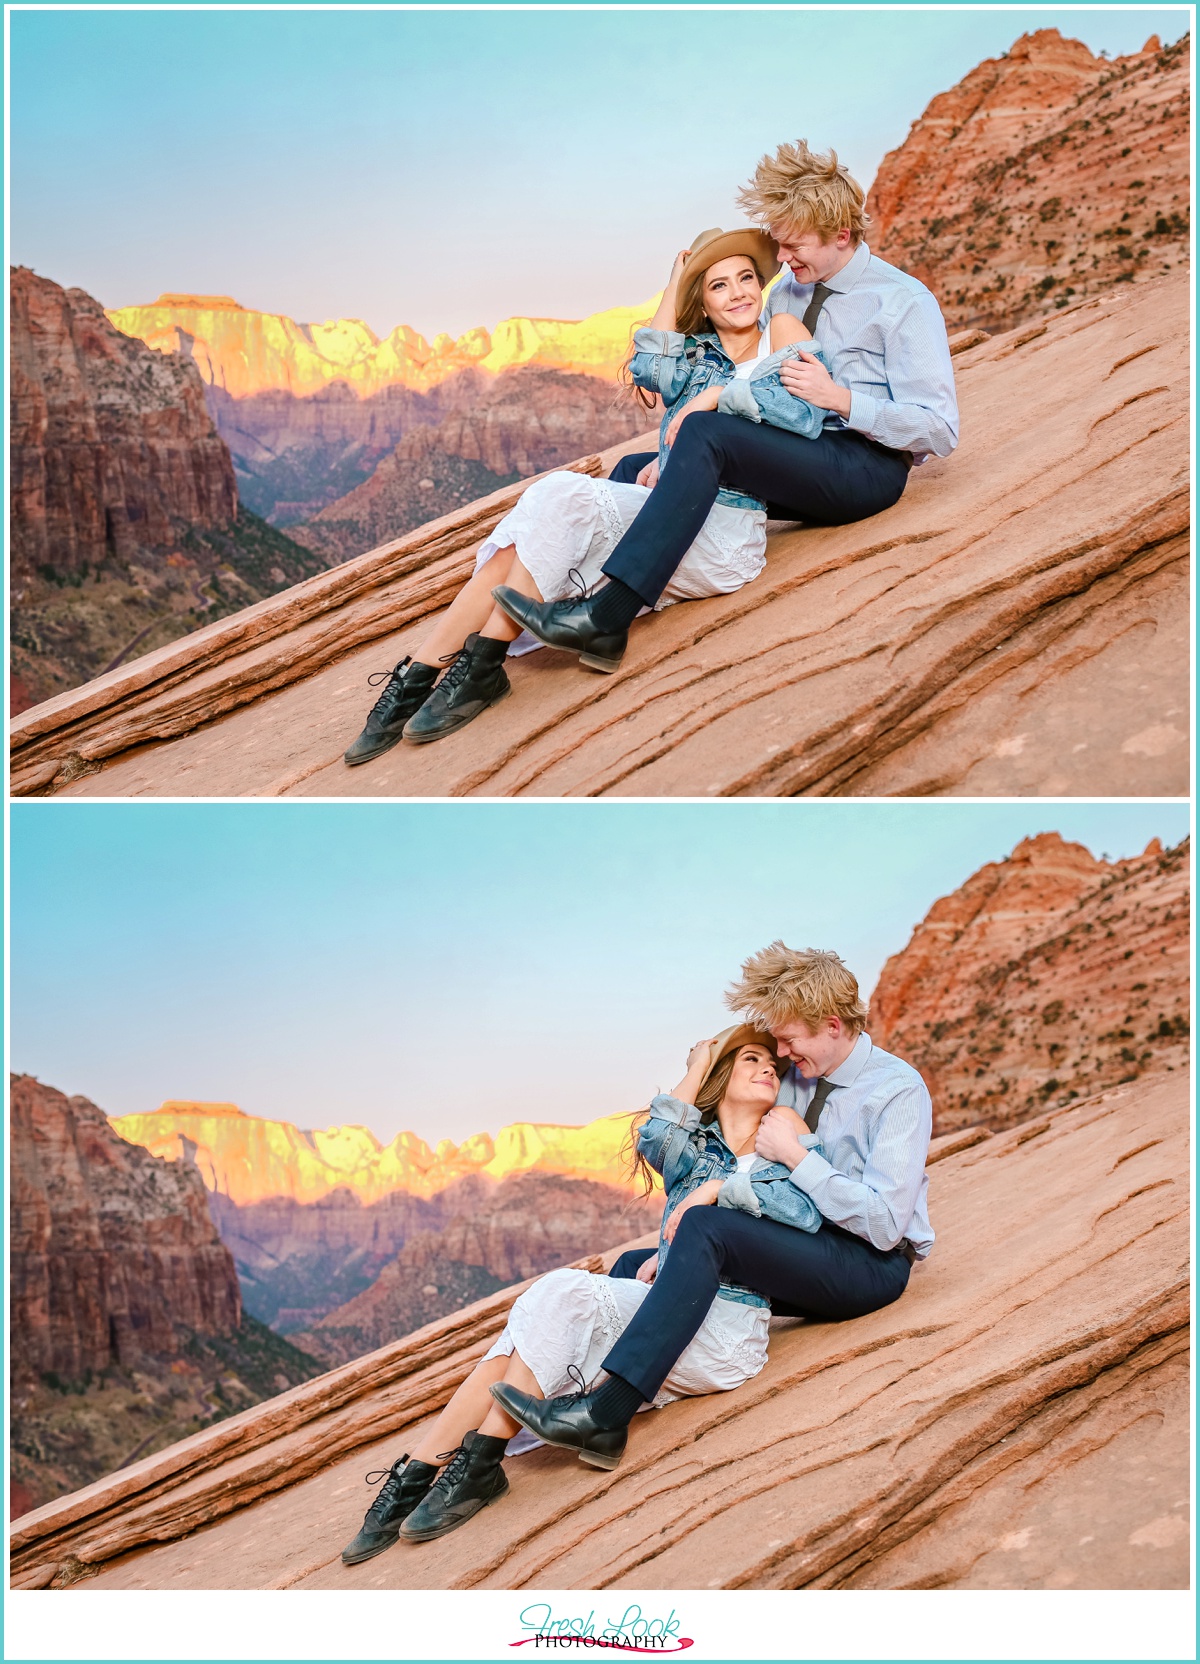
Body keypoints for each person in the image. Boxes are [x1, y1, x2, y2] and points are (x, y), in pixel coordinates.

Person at [342, 227, 829, 764]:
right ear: (703, 303)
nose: (738, 293)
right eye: (717, 285)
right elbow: (647, 366)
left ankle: (471, 668)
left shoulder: (778, 329)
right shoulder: (696, 356)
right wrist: (675, 281)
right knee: (547, 503)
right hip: (669, 519)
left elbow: (801, 414)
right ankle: (429, 670)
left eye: (745, 279)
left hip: (726, 536)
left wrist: (716, 397)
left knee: (563, 501)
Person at [340, 1027, 824, 1560]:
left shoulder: (780, 1131)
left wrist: (718, 1191)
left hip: (727, 1331)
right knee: (530, 1324)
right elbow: (656, 1137)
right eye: (750, 1059)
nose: (767, 1069)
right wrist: (697, 1064)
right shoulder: (697, 1150)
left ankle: (467, 1467)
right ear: (719, 1077)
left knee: (561, 1292)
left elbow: (804, 1213)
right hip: (670, 1323)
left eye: (772, 1065)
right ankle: (426, 1469)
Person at [499, 139, 960, 675]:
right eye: (779, 247)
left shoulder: (901, 301)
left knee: (705, 436)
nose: (782, 261)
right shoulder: (790, 291)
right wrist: (675, 458)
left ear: (841, 235)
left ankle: (607, 618)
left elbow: (941, 430)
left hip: (864, 468)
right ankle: (545, 609)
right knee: (633, 470)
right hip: (799, 448)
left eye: (793, 246)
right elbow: (749, 379)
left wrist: (842, 400)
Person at [496, 945, 934, 1469]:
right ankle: (572, 1397)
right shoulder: (795, 1077)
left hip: (868, 1264)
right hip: (809, 1244)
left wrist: (795, 1157)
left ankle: (606, 1416)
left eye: (790, 1039)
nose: (782, 1052)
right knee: (634, 1267)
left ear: (833, 1025)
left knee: (706, 1229)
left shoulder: (896, 1090)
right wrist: (701, 1069)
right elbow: (733, 1153)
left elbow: (885, 1225)